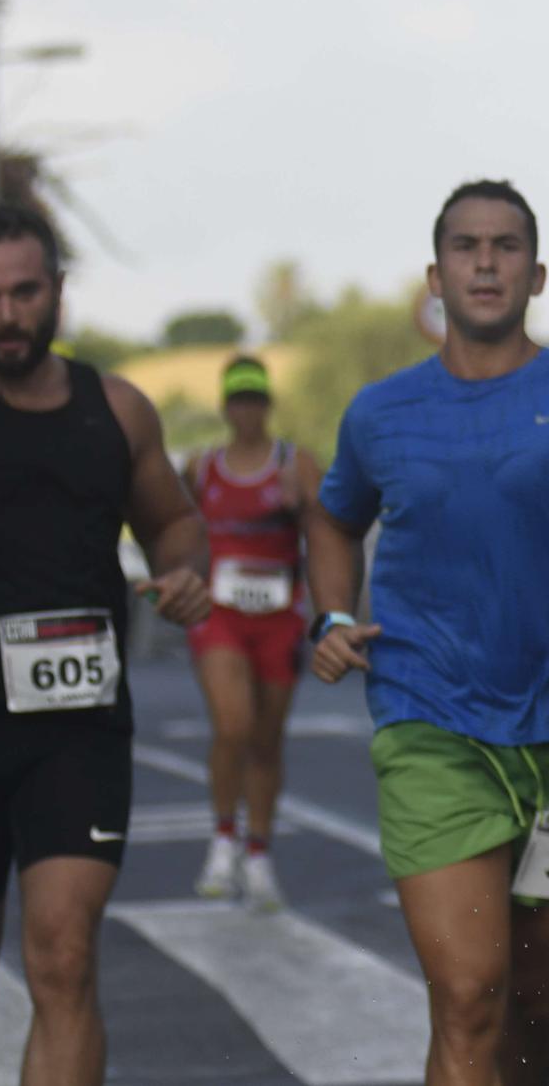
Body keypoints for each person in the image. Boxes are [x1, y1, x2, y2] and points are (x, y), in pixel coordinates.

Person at [305, 179, 549, 1086]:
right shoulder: (380, 413)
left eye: (506, 246)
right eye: (465, 245)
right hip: (430, 724)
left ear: (538, 273)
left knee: (535, 998)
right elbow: (331, 520)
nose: (485, 261)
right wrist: (331, 615)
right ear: (434, 274)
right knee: (471, 994)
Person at [0, 206, 209, 1086]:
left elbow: (176, 522)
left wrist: (185, 570)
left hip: (80, 724)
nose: (5, 314)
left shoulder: (114, 408)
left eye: (24, 291)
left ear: (58, 292)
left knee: (64, 958)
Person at [183, 354, 323, 910]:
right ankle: (222, 841)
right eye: (237, 401)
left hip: (278, 618)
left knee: (266, 740)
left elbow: (328, 530)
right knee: (233, 725)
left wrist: (301, 505)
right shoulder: (201, 467)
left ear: (267, 405)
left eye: (255, 400)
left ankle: (258, 853)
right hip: (220, 615)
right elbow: (175, 526)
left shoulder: (296, 463)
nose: (247, 411)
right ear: (225, 407)